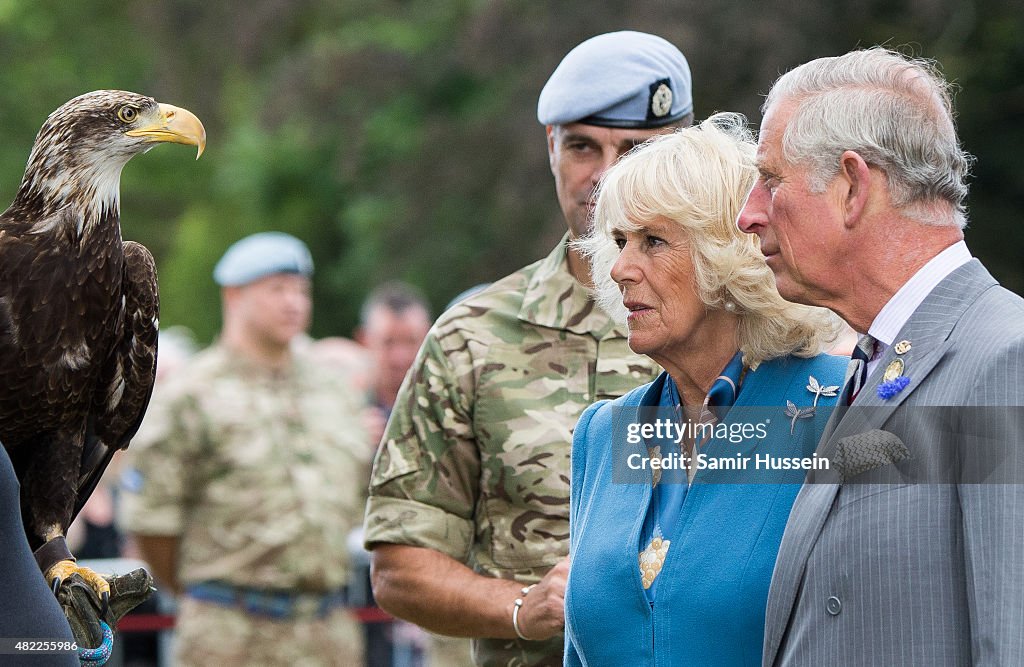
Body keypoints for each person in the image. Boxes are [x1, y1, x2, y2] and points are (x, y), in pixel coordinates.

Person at [363, 30, 692, 666]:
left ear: (682, 154)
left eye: (633, 150)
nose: (604, 177)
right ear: (550, 149)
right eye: (581, 147)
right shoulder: (473, 338)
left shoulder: (756, 326)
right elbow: (401, 566)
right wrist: (521, 607)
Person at [736, 47, 1024, 665]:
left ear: (852, 186)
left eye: (772, 179)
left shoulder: (1006, 358)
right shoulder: (880, 359)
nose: (748, 214)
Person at [565, 113, 846, 666]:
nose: (621, 268)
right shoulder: (603, 433)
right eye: (619, 241)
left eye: (653, 241)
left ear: (730, 256)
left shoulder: (830, 408)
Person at [118, 232, 370, 666]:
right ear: (234, 296)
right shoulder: (190, 394)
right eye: (277, 289)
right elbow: (154, 522)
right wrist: (207, 596)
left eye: (301, 290)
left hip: (328, 630)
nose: (294, 302)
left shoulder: (334, 391)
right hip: (228, 632)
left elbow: (356, 495)